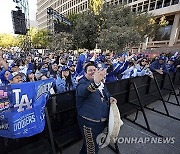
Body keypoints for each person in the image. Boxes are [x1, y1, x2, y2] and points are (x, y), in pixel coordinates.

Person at [76, 62, 117, 154]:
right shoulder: (82, 83)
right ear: (85, 73)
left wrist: (110, 98)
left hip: (101, 121)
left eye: (94, 70)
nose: (93, 72)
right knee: (92, 149)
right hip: (89, 123)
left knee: (89, 144)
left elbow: (105, 94)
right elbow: (84, 91)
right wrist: (95, 82)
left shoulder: (101, 83)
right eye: (90, 70)